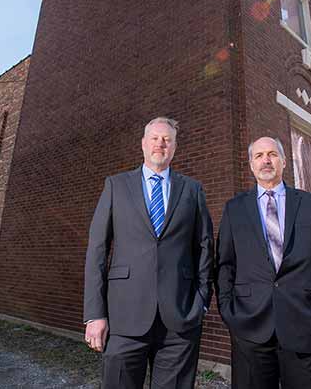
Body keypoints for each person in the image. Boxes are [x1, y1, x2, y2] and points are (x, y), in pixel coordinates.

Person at [83, 117, 214, 389]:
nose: (160, 143)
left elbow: (204, 247)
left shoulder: (192, 190)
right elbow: (97, 250)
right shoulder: (116, 186)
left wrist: (201, 301)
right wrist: (95, 314)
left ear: (175, 147)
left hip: (179, 319)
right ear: (143, 144)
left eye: (167, 139)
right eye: (154, 138)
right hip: (123, 317)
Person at [216, 136, 311, 389]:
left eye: (272, 154)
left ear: (284, 162)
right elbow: (224, 265)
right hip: (250, 329)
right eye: (259, 155)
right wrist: (228, 311)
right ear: (251, 165)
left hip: (306, 327)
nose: (266, 160)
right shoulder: (234, 209)